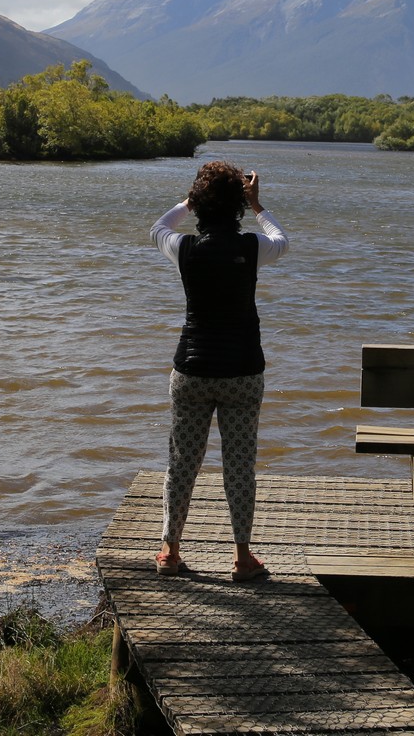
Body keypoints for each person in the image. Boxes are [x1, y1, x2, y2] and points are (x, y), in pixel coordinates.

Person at [150, 161, 289, 581]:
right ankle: (243, 558)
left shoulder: (185, 248)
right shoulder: (251, 248)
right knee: (240, 465)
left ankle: (169, 552)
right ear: (237, 207)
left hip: (192, 370)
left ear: (199, 206)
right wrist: (258, 205)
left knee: (182, 463)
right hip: (243, 372)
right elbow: (281, 241)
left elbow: (157, 227)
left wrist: (189, 201)